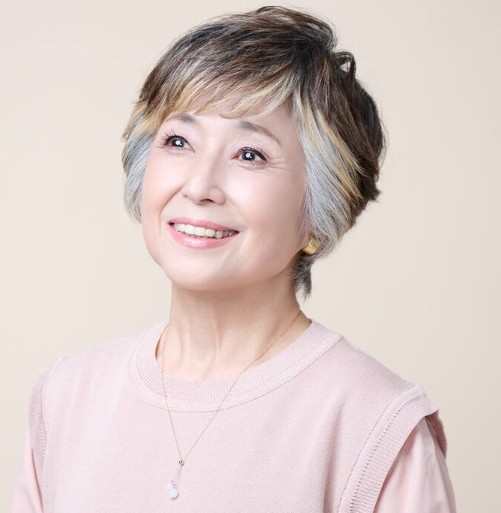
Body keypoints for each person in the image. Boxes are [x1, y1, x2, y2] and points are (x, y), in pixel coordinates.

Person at [11, 6, 456, 512]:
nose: (199, 186)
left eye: (250, 154)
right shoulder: (67, 397)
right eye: (178, 141)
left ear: (318, 211)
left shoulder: (378, 427)